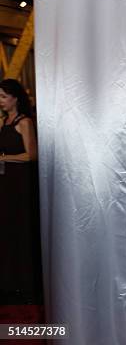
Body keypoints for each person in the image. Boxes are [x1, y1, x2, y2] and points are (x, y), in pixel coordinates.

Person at [0, 78, 41, 303]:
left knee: (22, 232)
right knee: (8, 234)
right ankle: (9, 283)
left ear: (15, 98)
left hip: (21, 186)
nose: (1, 101)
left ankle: (25, 285)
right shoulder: (3, 122)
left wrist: (6, 157)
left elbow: (32, 155)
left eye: (4, 96)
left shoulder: (24, 122)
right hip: (5, 185)